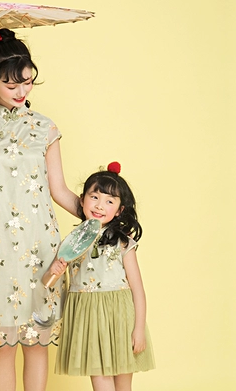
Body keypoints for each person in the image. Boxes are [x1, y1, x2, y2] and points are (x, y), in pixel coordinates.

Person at [0, 28, 78, 391]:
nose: (22, 91)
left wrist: (96, 220)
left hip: (41, 247)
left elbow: (59, 190)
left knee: (37, 342)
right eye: (11, 85)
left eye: (27, 81)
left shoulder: (45, 128)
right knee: (4, 344)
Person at [46, 162, 155, 391]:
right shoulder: (73, 242)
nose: (99, 205)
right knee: (100, 380)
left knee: (123, 383)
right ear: (82, 200)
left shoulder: (122, 242)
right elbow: (52, 278)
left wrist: (138, 329)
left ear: (119, 210)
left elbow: (137, 289)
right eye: (94, 197)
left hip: (120, 318)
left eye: (109, 201)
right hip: (89, 318)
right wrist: (54, 269)